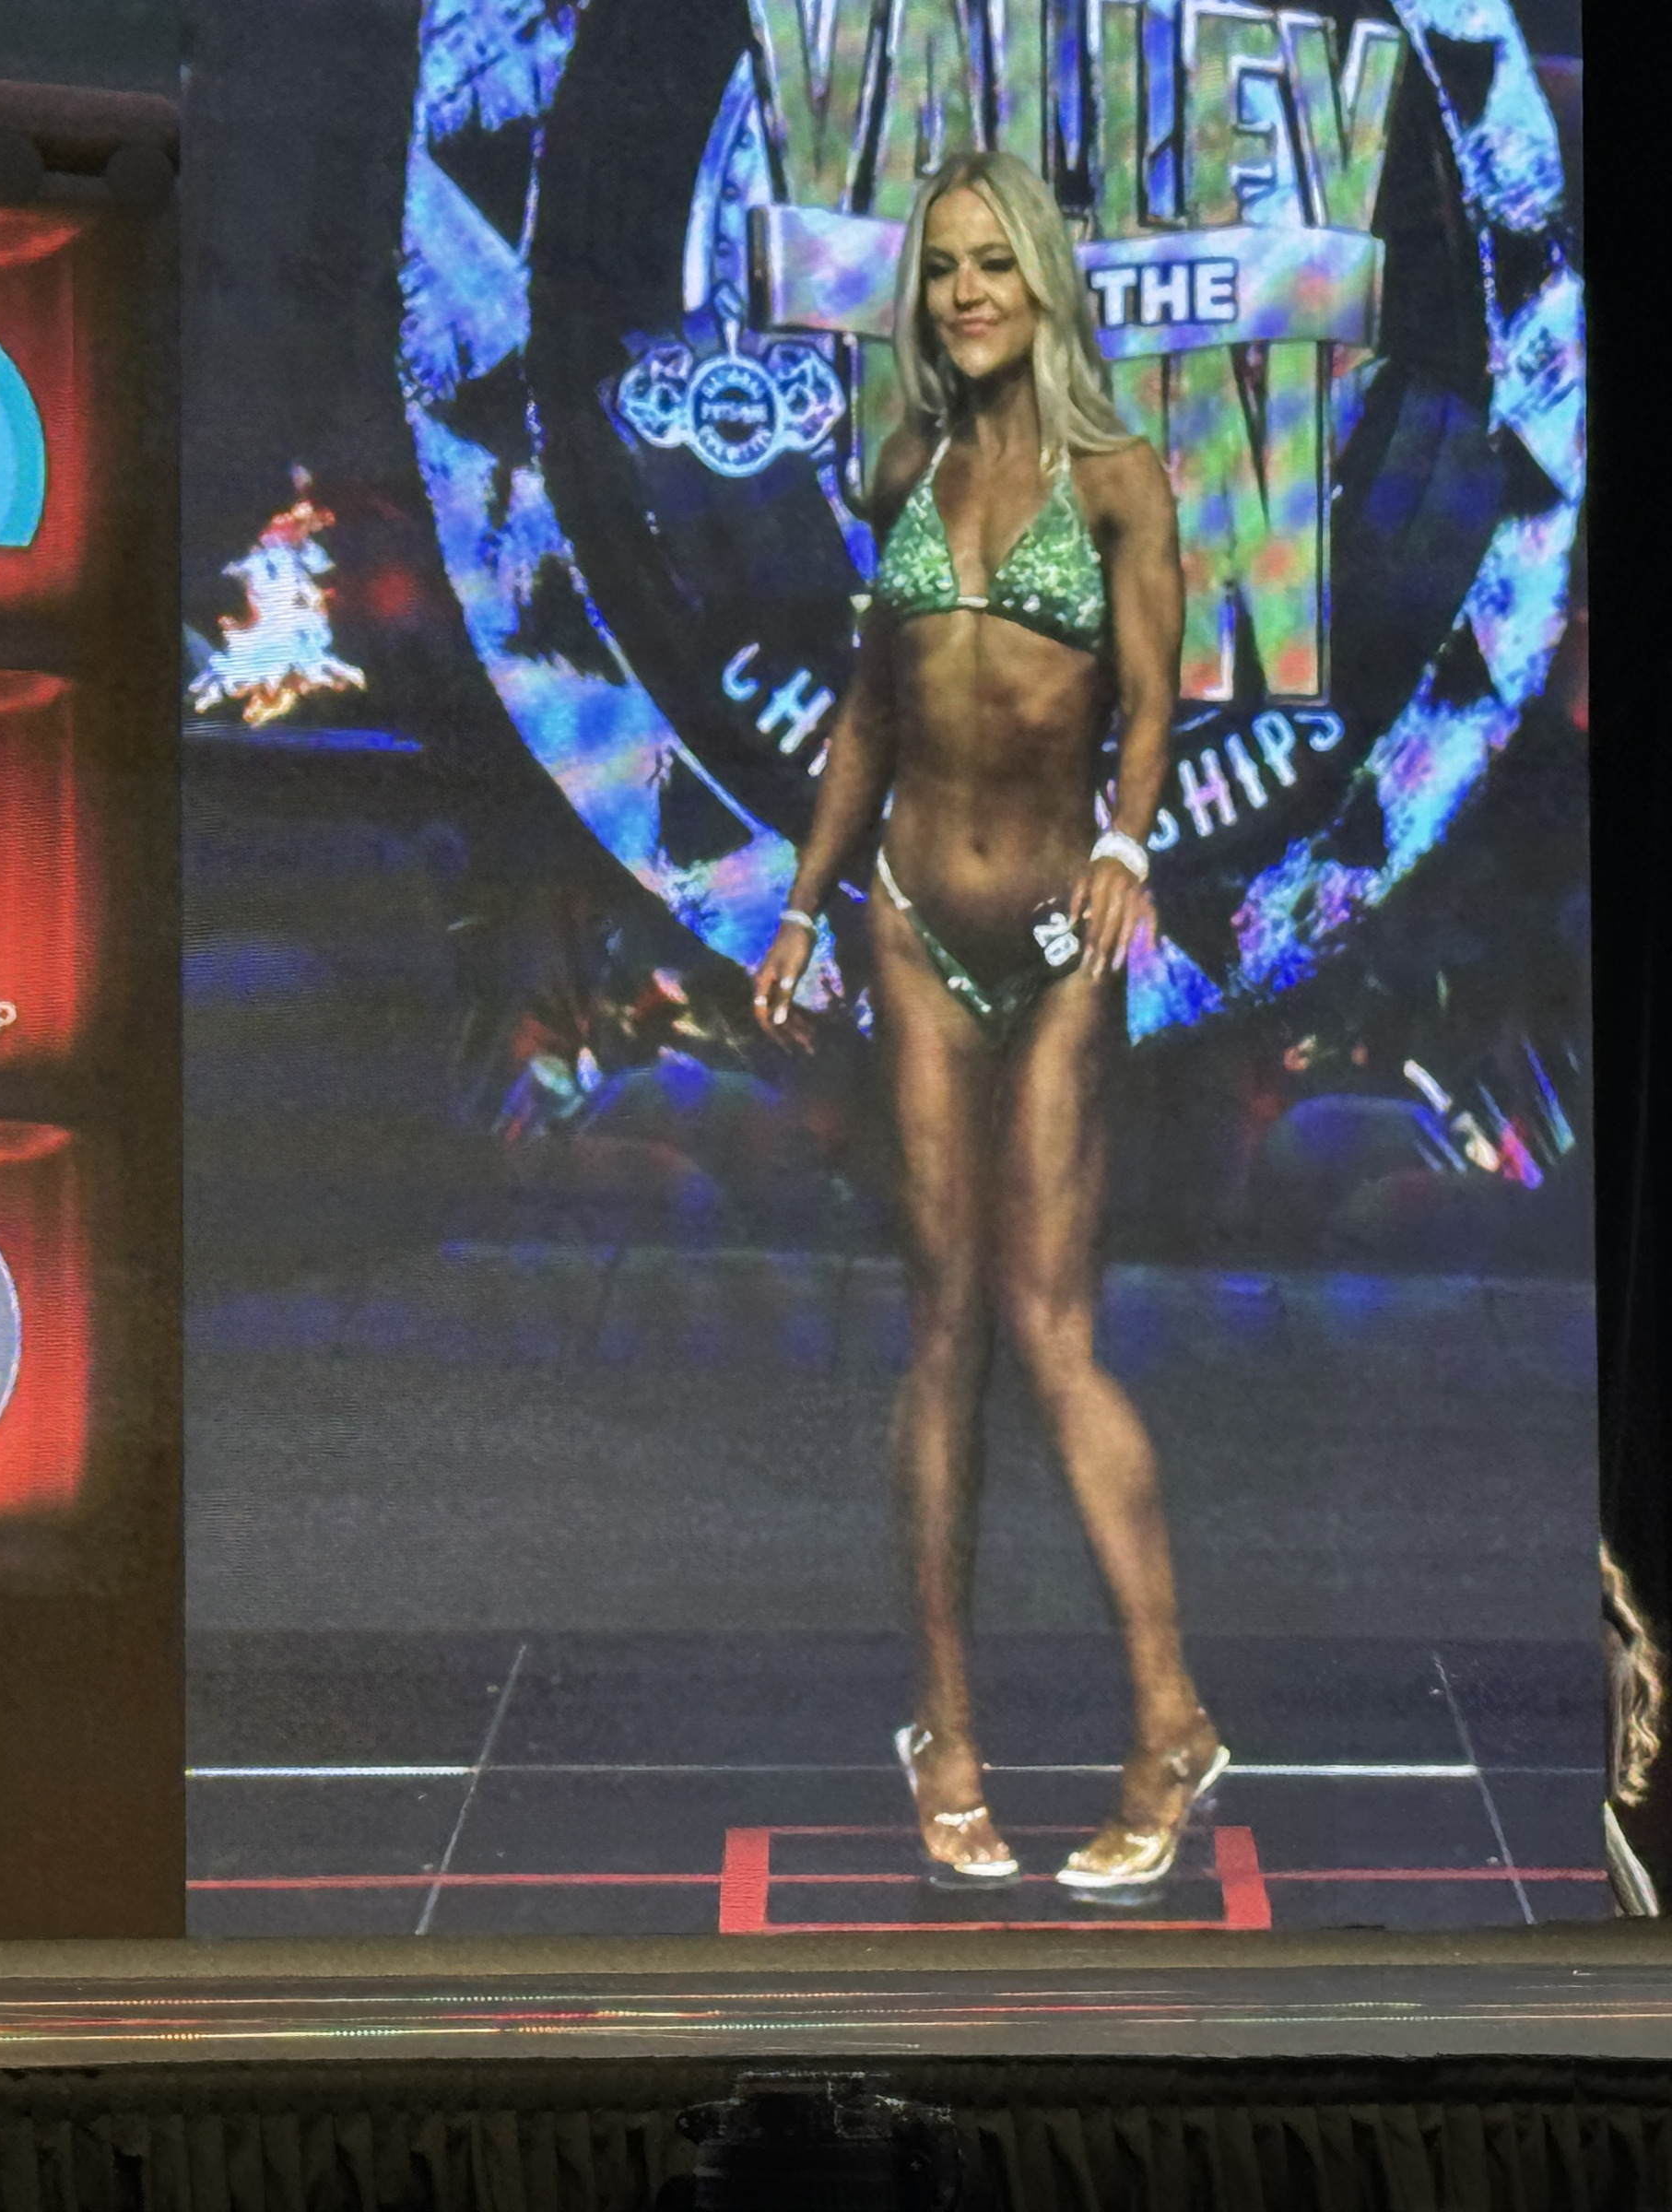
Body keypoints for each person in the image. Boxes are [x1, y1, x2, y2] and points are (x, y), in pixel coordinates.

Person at [749, 150, 1225, 1893]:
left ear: (1041, 283)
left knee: (1048, 1325)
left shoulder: (1117, 481)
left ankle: (1170, 1722)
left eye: (992, 264)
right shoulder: (904, 468)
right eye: (943, 268)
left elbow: (1154, 701)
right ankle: (943, 1734)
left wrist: (1125, 845)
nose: (964, 293)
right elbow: (869, 721)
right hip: (906, 931)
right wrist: (800, 906)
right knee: (944, 1324)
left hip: (1055, 940)